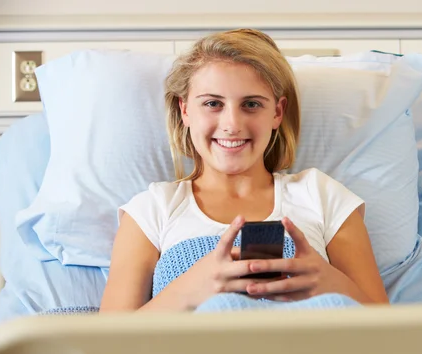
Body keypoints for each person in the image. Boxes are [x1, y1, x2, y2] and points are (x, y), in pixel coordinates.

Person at [99, 28, 389, 312]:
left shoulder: (321, 196)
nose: (232, 124)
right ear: (185, 110)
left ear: (277, 112)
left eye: (251, 104)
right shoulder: (153, 210)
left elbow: (390, 335)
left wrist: (332, 284)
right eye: (213, 103)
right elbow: (109, 348)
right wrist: (189, 290)